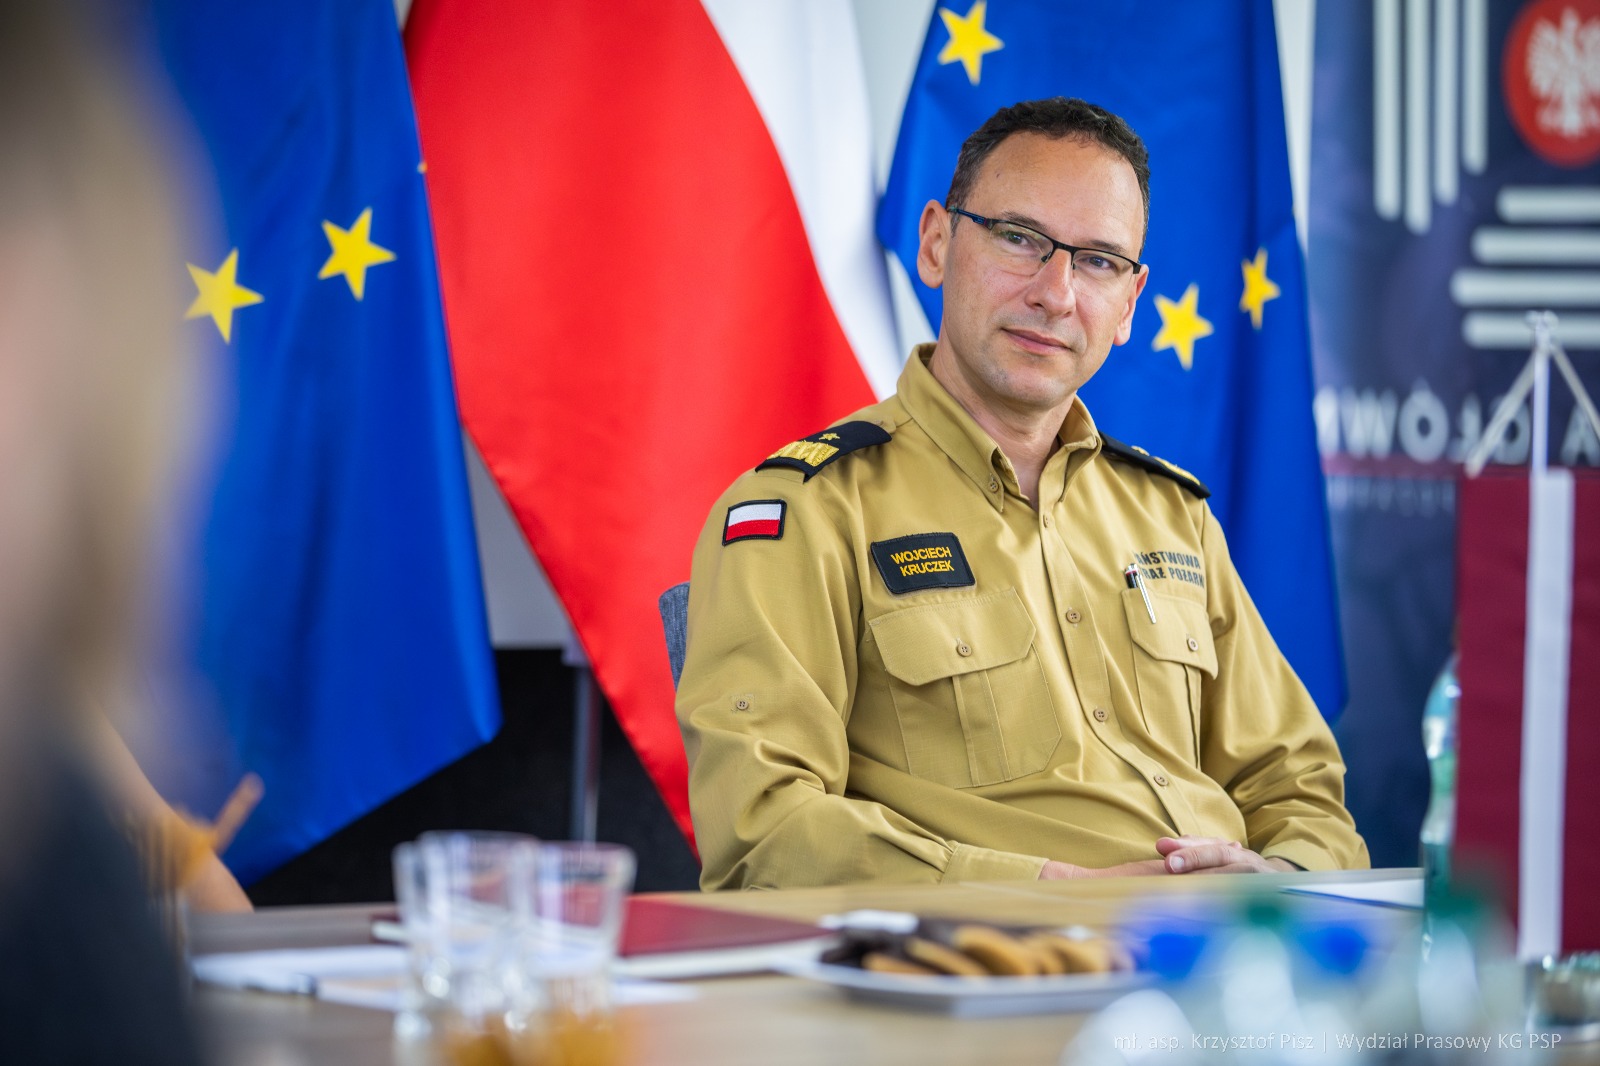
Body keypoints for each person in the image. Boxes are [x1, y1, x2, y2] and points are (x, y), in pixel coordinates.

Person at [675, 98, 1368, 891]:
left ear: (1130, 305)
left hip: (1217, 950)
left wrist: (1276, 878)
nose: (1056, 293)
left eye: (1099, 261)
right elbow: (762, 830)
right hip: (982, 953)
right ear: (936, 244)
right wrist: (1046, 893)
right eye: (1019, 238)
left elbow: (1302, 791)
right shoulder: (807, 513)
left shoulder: (1172, 516)